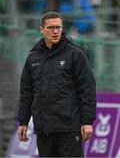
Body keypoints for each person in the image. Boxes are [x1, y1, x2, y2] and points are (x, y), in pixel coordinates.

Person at [17, 11, 96, 157]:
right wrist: (23, 121)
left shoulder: (75, 54)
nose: (55, 31)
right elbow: (26, 92)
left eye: (58, 27)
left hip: (69, 127)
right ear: (42, 30)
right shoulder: (32, 58)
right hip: (43, 128)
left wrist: (87, 121)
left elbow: (87, 89)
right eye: (51, 28)